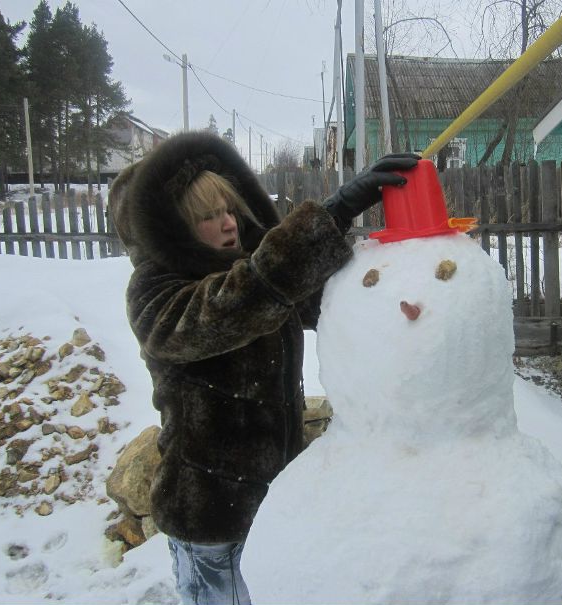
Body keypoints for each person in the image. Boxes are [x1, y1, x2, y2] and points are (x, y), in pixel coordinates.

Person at [111, 130, 418, 605]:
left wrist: (406, 280)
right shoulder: (157, 294)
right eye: (208, 217)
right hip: (212, 522)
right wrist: (329, 214)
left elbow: (319, 301)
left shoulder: (252, 273)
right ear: (175, 229)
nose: (228, 223)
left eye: (228, 209)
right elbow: (234, 304)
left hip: (276, 502)